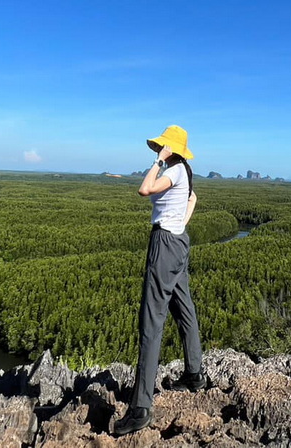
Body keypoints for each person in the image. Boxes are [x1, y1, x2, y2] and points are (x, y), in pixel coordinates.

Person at [113, 124, 206, 437]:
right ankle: (194, 374)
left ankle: (141, 408)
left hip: (164, 245)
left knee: (151, 322)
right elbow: (191, 201)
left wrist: (158, 162)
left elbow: (144, 190)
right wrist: (180, 222)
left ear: (172, 149)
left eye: (162, 147)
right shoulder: (186, 172)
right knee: (185, 310)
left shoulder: (174, 169)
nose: (158, 151)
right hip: (179, 241)